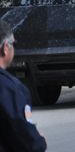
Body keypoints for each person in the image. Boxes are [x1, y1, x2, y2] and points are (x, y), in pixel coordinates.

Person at [0, 21, 47, 151]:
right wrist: (39, 141)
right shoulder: (10, 89)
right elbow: (25, 139)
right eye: (13, 44)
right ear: (5, 48)